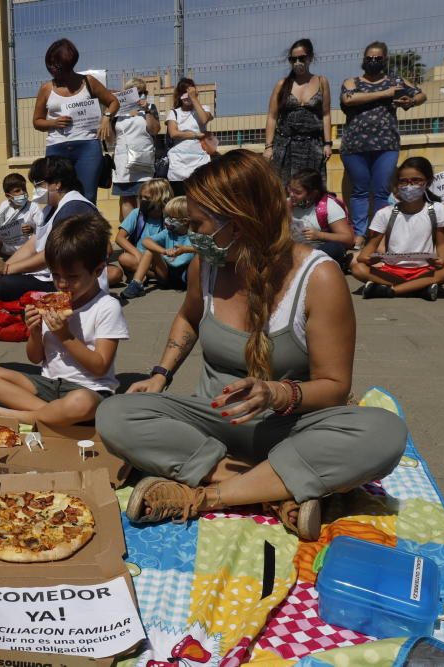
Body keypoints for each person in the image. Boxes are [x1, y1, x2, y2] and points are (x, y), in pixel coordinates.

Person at [95, 150, 407, 541]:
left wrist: (276, 393)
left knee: (383, 433)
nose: (190, 234)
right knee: (115, 414)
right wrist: (160, 374)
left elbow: (334, 386)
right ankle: (273, 490)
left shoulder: (318, 279)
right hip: (214, 420)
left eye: (198, 223)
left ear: (238, 223)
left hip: (288, 425)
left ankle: (211, 495)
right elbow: (189, 317)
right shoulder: (205, 265)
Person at [0, 212, 128, 427]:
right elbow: (36, 358)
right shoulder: (51, 302)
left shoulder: (107, 307)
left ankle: (28, 417)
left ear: (97, 271)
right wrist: (33, 331)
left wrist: (66, 336)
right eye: (56, 275)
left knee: (82, 403)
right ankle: (50, 415)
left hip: (89, 389)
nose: (62, 284)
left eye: (72, 277)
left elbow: (100, 367)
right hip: (49, 385)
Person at [0, 156, 121, 301]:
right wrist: (4, 268)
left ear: (57, 184)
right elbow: (33, 244)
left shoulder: (74, 207)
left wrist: (8, 269)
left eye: (38, 184)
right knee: (2, 281)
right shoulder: (50, 208)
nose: (35, 190)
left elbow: (54, 252)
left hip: (71, 282)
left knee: (5, 287)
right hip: (54, 276)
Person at [340, 41, 426, 248]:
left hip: (386, 145)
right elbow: (348, 99)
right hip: (355, 146)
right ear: (363, 60)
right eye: (369, 58)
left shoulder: (396, 81)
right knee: (359, 191)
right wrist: (385, 94)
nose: (372, 62)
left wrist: (410, 101)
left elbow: (422, 94)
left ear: (385, 60)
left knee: (381, 191)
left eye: (377, 59)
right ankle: (360, 234)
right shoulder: (352, 82)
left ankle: (379, 236)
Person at [351, 157, 444, 300]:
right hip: (391, 270)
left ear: (427, 182)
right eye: (404, 181)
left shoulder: (437, 210)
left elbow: (442, 245)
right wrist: (370, 258)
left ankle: (392, 290)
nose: (410, 186)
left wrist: (442, 259)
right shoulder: (384, 214)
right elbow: (367, 251)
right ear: (397, 184)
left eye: (416, 180)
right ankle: (419, 288)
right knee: (358, 269)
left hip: (424, 269)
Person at [32, 38, 119, 204]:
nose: (52, 70)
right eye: (49, 65)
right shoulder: (46, 88)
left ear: (70, 63)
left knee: (87, 197)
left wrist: (106, 118)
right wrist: (53, 123)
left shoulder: (88, 82)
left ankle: (86, 230)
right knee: (56, 197)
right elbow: (37, 121)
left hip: (88, 147)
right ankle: (59, 230)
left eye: (57, 66)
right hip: (57, 147)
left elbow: (113, 102)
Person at [264, 39, 332, 186]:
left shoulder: (321, 82)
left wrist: (327, 143)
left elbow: (326, 114)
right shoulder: (282, 84)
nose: (297, 62)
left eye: (301, 58)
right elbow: (272, 116)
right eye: (293, 59)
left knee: (310, 190)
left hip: (312, 147)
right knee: (283, 190)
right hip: (285, 146)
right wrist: (269, 147)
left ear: (310, 58)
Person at [121, 195, 194, 299]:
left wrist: (185, 250)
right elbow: (146, 241)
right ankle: (136, 283)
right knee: (150, 250)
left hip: (184, 275)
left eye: (171, 217)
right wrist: (163, 251)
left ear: (185, 221)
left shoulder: (194, 236)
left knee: (199, 259)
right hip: (166, 274)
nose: (167, 220)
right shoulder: (168, 232)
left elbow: (180, 261)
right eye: (167, 216)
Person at [111, 78, 160, 220]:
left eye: (143, 92)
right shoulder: (117, 111)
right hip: (122, 161)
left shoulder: (150, 108)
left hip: (142, 161)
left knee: (143, 198)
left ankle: (142, 233)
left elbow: (155, 130)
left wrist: (148, 111)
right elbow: (111, 138)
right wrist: (108, 114)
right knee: (126, 199)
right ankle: (129, 233)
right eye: (138, 92)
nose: (141, 95)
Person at [287, 168, 354, 264]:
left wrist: (319, 235)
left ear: (313, 193)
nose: (291, 195)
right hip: (295, 249)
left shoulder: (329, 206)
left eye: (297, 192)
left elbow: (348, 239)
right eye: (290, 190)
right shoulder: (287, 204)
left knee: (335, 248)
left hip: (318, 249)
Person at [115, 178, 173, 288]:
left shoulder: (168, 218)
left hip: (160, 260)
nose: (142, 200)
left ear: (160, 199)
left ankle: (144, 275)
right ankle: (153, 276)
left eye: (147, 198)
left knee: (164, 269)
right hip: (139, 258)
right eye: (141, 197)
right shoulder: (137, 214)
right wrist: (137, 254)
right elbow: (119, 238)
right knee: (124, 258)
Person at [163, 78, 214, 195]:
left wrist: (194, 99)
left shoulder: (204, 109)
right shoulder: (174, 112)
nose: (186, 96)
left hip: (200, 161)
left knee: (200, 196)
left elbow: (204, 119)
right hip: (178, 164)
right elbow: (173, 133)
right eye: (183, 92)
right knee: (179, 198)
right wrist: (195, 134)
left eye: (189, 92)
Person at [0, 172, 42, 260]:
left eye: (24, 189)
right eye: (17, 191)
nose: (22, 192)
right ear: (8, 196)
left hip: (25, 249)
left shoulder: (33, 206)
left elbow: (41, 229)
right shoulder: (4, 205)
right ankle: (4, 259)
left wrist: (32, 229)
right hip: (7, 249)